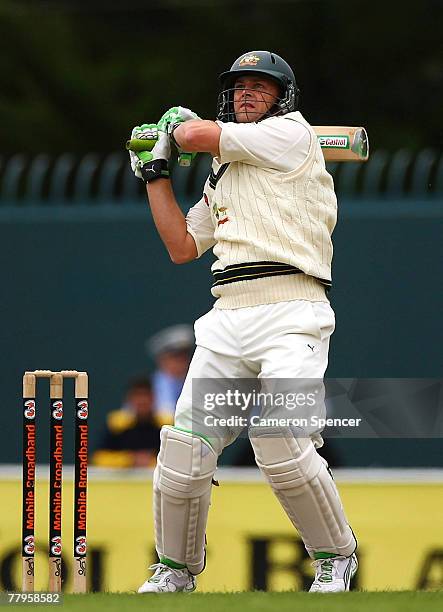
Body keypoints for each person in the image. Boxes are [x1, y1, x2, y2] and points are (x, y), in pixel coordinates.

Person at [129, 50, 357, 594]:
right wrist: (155, 175)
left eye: (261, 86)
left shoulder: (293, 135)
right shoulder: (222, 174)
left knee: (279, 438)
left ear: (283, 97)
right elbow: (183, 247)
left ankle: (335, 557)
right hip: (227, 316)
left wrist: (172, 126)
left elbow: (192, 136)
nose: (247, 94)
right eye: (239, 86)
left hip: (292, 311)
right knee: (186, 446)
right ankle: (176, 570)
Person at [92, 377, 160, 468]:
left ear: (153, 398)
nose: (142, 400)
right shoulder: (116, 426)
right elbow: (97, 458)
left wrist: (151, 461)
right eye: (137, 395)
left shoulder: (163, 426)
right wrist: (130, 459)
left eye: (146, 395)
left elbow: (175, 460)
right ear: (129, 399)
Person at [146, 324, 194, 426]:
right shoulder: (148, 387)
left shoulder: (196, 382)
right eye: (175, 357)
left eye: (184, 356)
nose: (181, 362)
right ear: (161, 359)